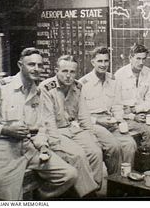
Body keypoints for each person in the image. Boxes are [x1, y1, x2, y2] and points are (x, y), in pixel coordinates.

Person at [0, 48, 77, 200]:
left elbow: (41, 127)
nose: (36, 69)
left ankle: (38, 199)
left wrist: (43, 145)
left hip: (30, 148)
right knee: (10, 200)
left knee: (69, 175)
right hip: (3, 150)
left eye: (39, 65)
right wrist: (5, 129)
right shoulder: (0, 87)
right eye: (31, 64)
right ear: (20, 65)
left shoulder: (37, 92)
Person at [39, 55, 104, 196]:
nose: (68, 76)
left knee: (96, 151)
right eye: (64, 71)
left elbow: (84, 116)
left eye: (72, 72)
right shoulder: (46, 88)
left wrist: (92, 137)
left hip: (71, 128)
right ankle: (88, 196)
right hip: (54, 131)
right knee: (78, 155)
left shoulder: (78, 87)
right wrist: (55, 145)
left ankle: (94, 188)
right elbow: (48, 121)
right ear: (56, 70)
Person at [79, 47, 137, 166]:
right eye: (100, 61)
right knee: (113, 147)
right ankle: (114, 180)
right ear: (93, 62)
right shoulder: (83, 83)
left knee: (130, 144)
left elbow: (117, 105)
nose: (103, 64)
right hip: (93, 123)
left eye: (106, 61)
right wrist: (98, 121)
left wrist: (119, 120)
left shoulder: (113, 80)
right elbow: (79, 115)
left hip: (110, 121)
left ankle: (125, 178)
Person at [114, 44, 150, 146]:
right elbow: (115, 106)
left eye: (144, 59)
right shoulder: (119, 75)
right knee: (149, 132)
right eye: (138, 58)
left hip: (142, 115)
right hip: (124, 117)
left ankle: (145, 159)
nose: (141, 62)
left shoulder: (148, 73)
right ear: (130, 58)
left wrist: (134, 109)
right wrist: (132, 116)